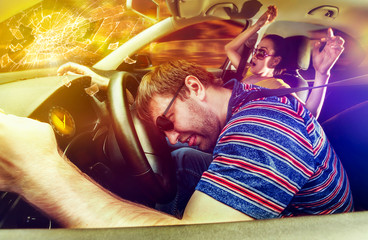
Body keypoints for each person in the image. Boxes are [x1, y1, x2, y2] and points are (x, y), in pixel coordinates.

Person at [0, 59, 353, 227]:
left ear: (195, 88)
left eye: (167, 123)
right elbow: (150, 92)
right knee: (183, 157)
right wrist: (103, 81)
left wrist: (38, 171)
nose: (167, 137)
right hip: (300, 206)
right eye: (161, 130)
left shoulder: (263, 127)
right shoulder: (243, 97)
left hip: (312, 228)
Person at [225, 5, 345, 119]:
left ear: (275, 61)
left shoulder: (277, 86)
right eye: (255, 50)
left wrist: (322, 74)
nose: (254, 56)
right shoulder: (248, 71)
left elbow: (309, 114)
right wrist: (258, 25)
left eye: (261, 52)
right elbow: (229, 48)